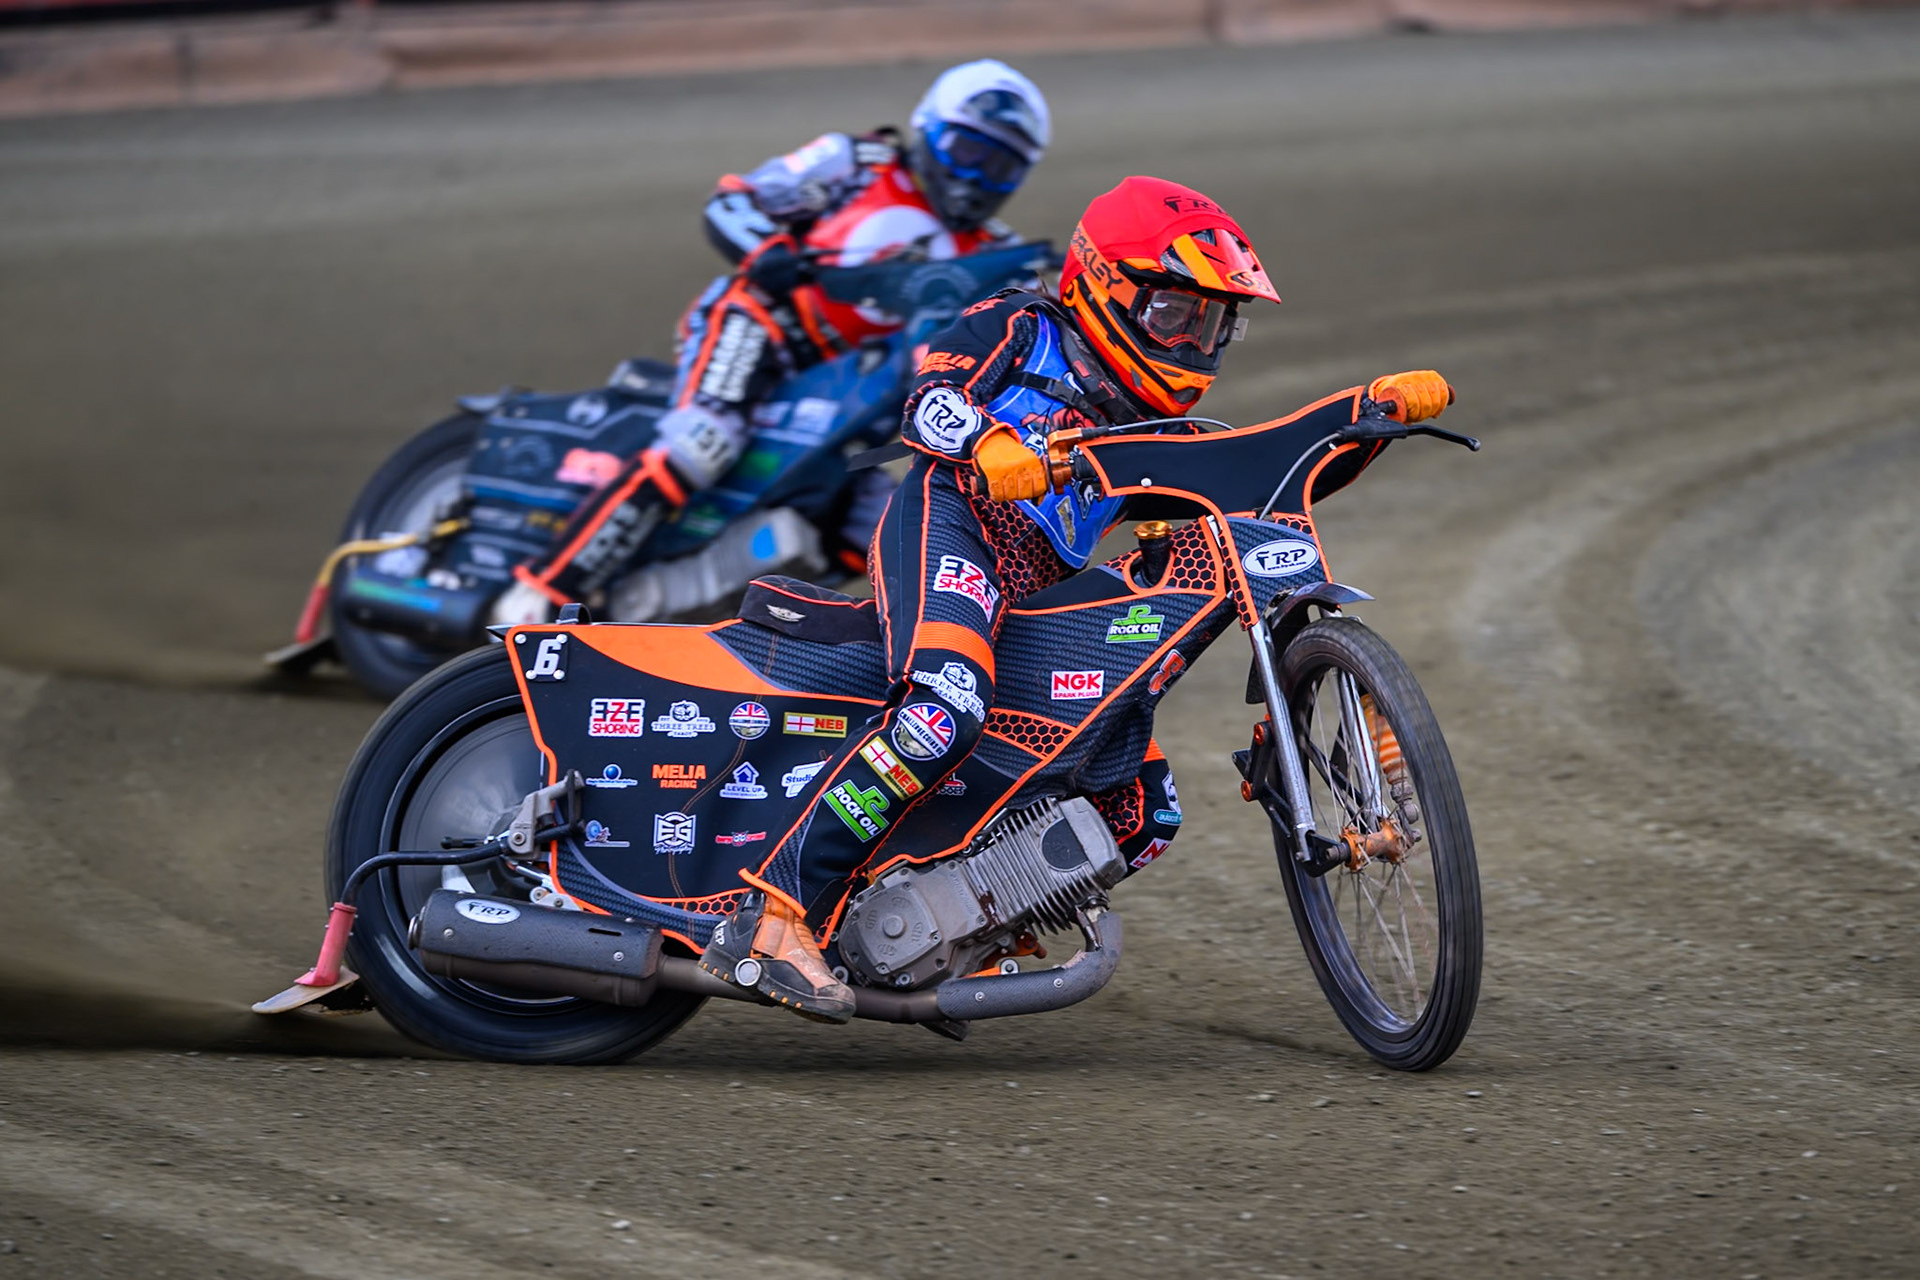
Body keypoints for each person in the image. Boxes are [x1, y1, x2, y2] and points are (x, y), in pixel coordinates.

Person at [699, 174, 1457, 1022]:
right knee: (940, 712)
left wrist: (1368, 415)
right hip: (954, 524)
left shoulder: (1155, 426)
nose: (1195, 339)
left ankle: (970, 919)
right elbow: (930, 396)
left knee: (1141, 809)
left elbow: (1256, 474)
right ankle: (770, 917)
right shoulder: (1022, 326)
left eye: (1215, 324)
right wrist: (991, 439)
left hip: (1035, 587)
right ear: (1106, 285)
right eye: (1176, 313)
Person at [490, 60, 1051, 626]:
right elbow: (733, 202)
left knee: (878, 523)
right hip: (761, 326)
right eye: (968, 151)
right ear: (928, 127)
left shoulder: (995, 256)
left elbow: (1026, 329)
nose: (977, 177)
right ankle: (541, 589)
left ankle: (694, 620)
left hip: (852, 391)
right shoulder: (855, 163)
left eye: (1002, 168)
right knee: (703, 443)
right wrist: (768, 253)